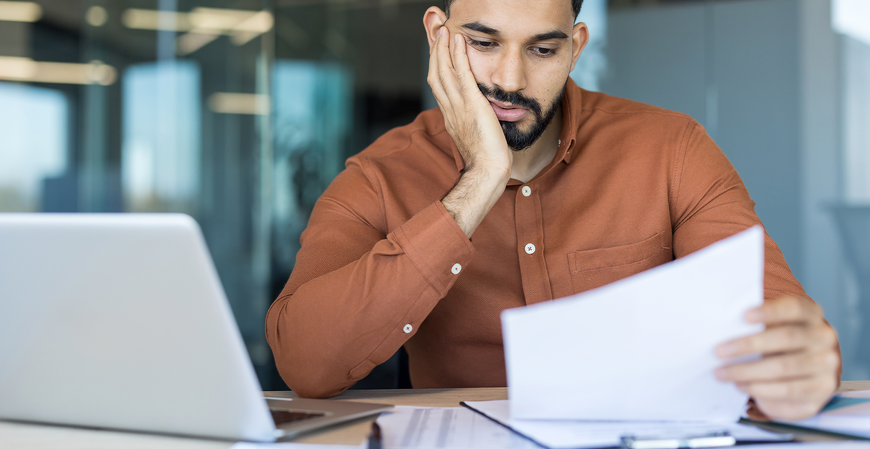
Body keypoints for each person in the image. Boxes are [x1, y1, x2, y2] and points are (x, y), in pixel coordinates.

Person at [265, 0, 841, 420]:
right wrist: (480, 180)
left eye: (543, 49)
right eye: (483, 43)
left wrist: (803, 365)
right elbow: (306, 363)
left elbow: (781, 324)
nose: (510, 80)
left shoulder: (671, 149)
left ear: (577, 46)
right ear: (438, 35)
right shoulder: (379, 175)